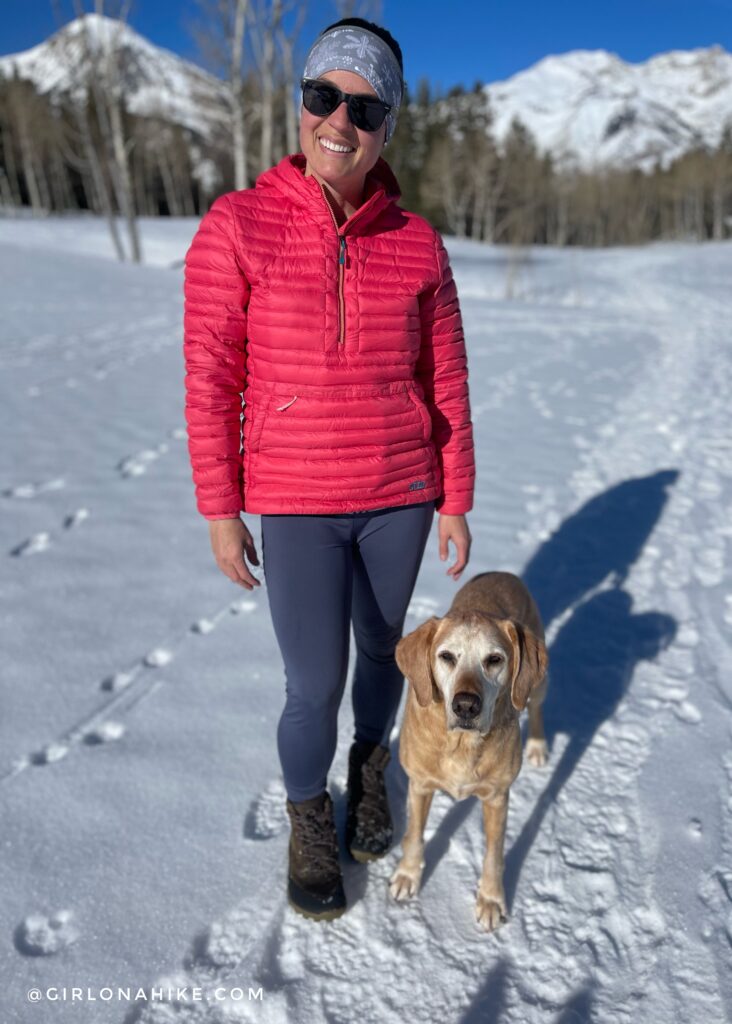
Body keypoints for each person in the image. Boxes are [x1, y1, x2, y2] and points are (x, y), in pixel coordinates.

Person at [183, 17, 475, 921]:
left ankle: (371, 770)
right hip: (297, 498)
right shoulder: (238, 225)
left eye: (365, 105)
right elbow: (211, 375)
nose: (340, 121)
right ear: (300, 104)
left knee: (386, 660)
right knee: (312, 681)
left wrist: (454, 494)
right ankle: (311, 818)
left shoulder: (419, 243)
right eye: (324, 97)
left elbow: (448, 378)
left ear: (388, 125)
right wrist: (221, 507)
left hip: (399, 494)